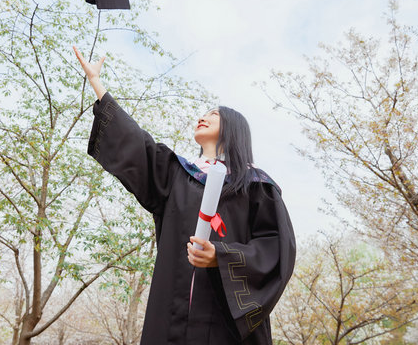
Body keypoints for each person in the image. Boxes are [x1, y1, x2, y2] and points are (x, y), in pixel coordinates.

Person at [74, 47, 296, 345]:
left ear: (234, 130)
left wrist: (222, 256)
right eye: (203, 114)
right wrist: (98, 85)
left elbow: (276, 249)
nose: (203, 117)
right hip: (171, 319)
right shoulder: (178, 173)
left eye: (214, 115)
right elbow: (137, 144)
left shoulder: (257, 186)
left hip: (224, 328)